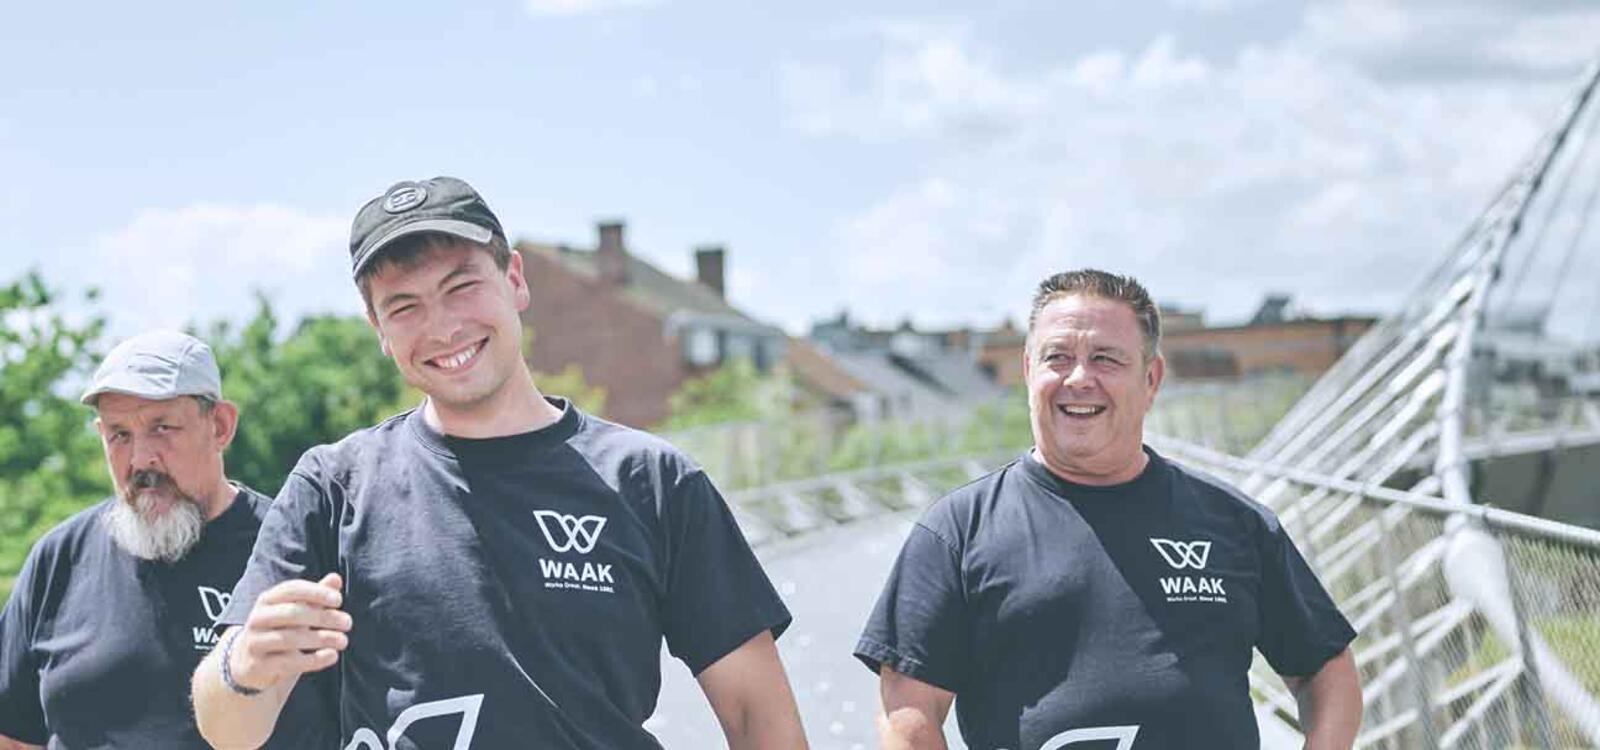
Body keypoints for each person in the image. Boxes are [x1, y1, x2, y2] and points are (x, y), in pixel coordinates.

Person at [190, 176, 806, 749]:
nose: (442, 327)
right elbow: (228, 731)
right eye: (403, 307)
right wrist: (243, 668)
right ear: (377, 327)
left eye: (462, 287)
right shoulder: (334, 486)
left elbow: (758, 714)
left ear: (514, 279)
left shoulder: (652, 481)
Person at [856, 269, 1363, 750]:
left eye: (1106, 358)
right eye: (1057, 357)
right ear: (1029, 371)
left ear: (1151, 378)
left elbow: (1326, 671)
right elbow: (909, 711)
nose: (1079, 378)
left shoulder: (1235, 522)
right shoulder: (958, 531)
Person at [0, 331, 313, 747]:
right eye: (119, 435)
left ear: (220, 425)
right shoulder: (59, 558)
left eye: (161, 427)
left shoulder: (290, 550)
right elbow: (14, 734)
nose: (141, 458)